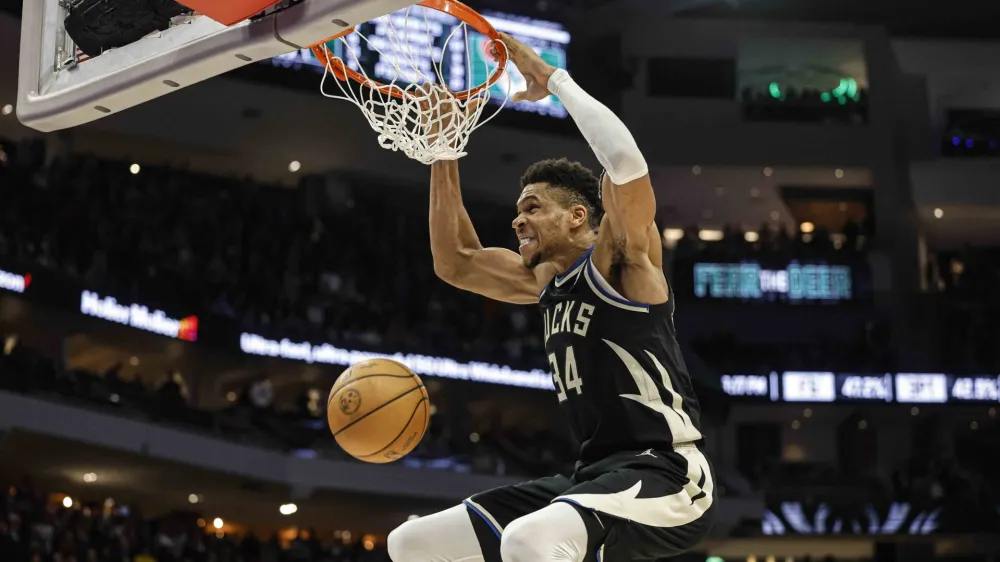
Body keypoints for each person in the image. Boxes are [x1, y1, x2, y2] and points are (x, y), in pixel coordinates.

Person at [387, 33, 714, 562]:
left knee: (528, 540)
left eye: (534, 207)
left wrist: (551, 78)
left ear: (578, 216)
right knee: (411, 544)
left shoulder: (624, 260)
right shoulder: (541, 281)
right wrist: (444, 150)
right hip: (591, 475)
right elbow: (456, 261)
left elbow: (627, 165)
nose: (518, 218)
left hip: (669, 472)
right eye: (519, 208)